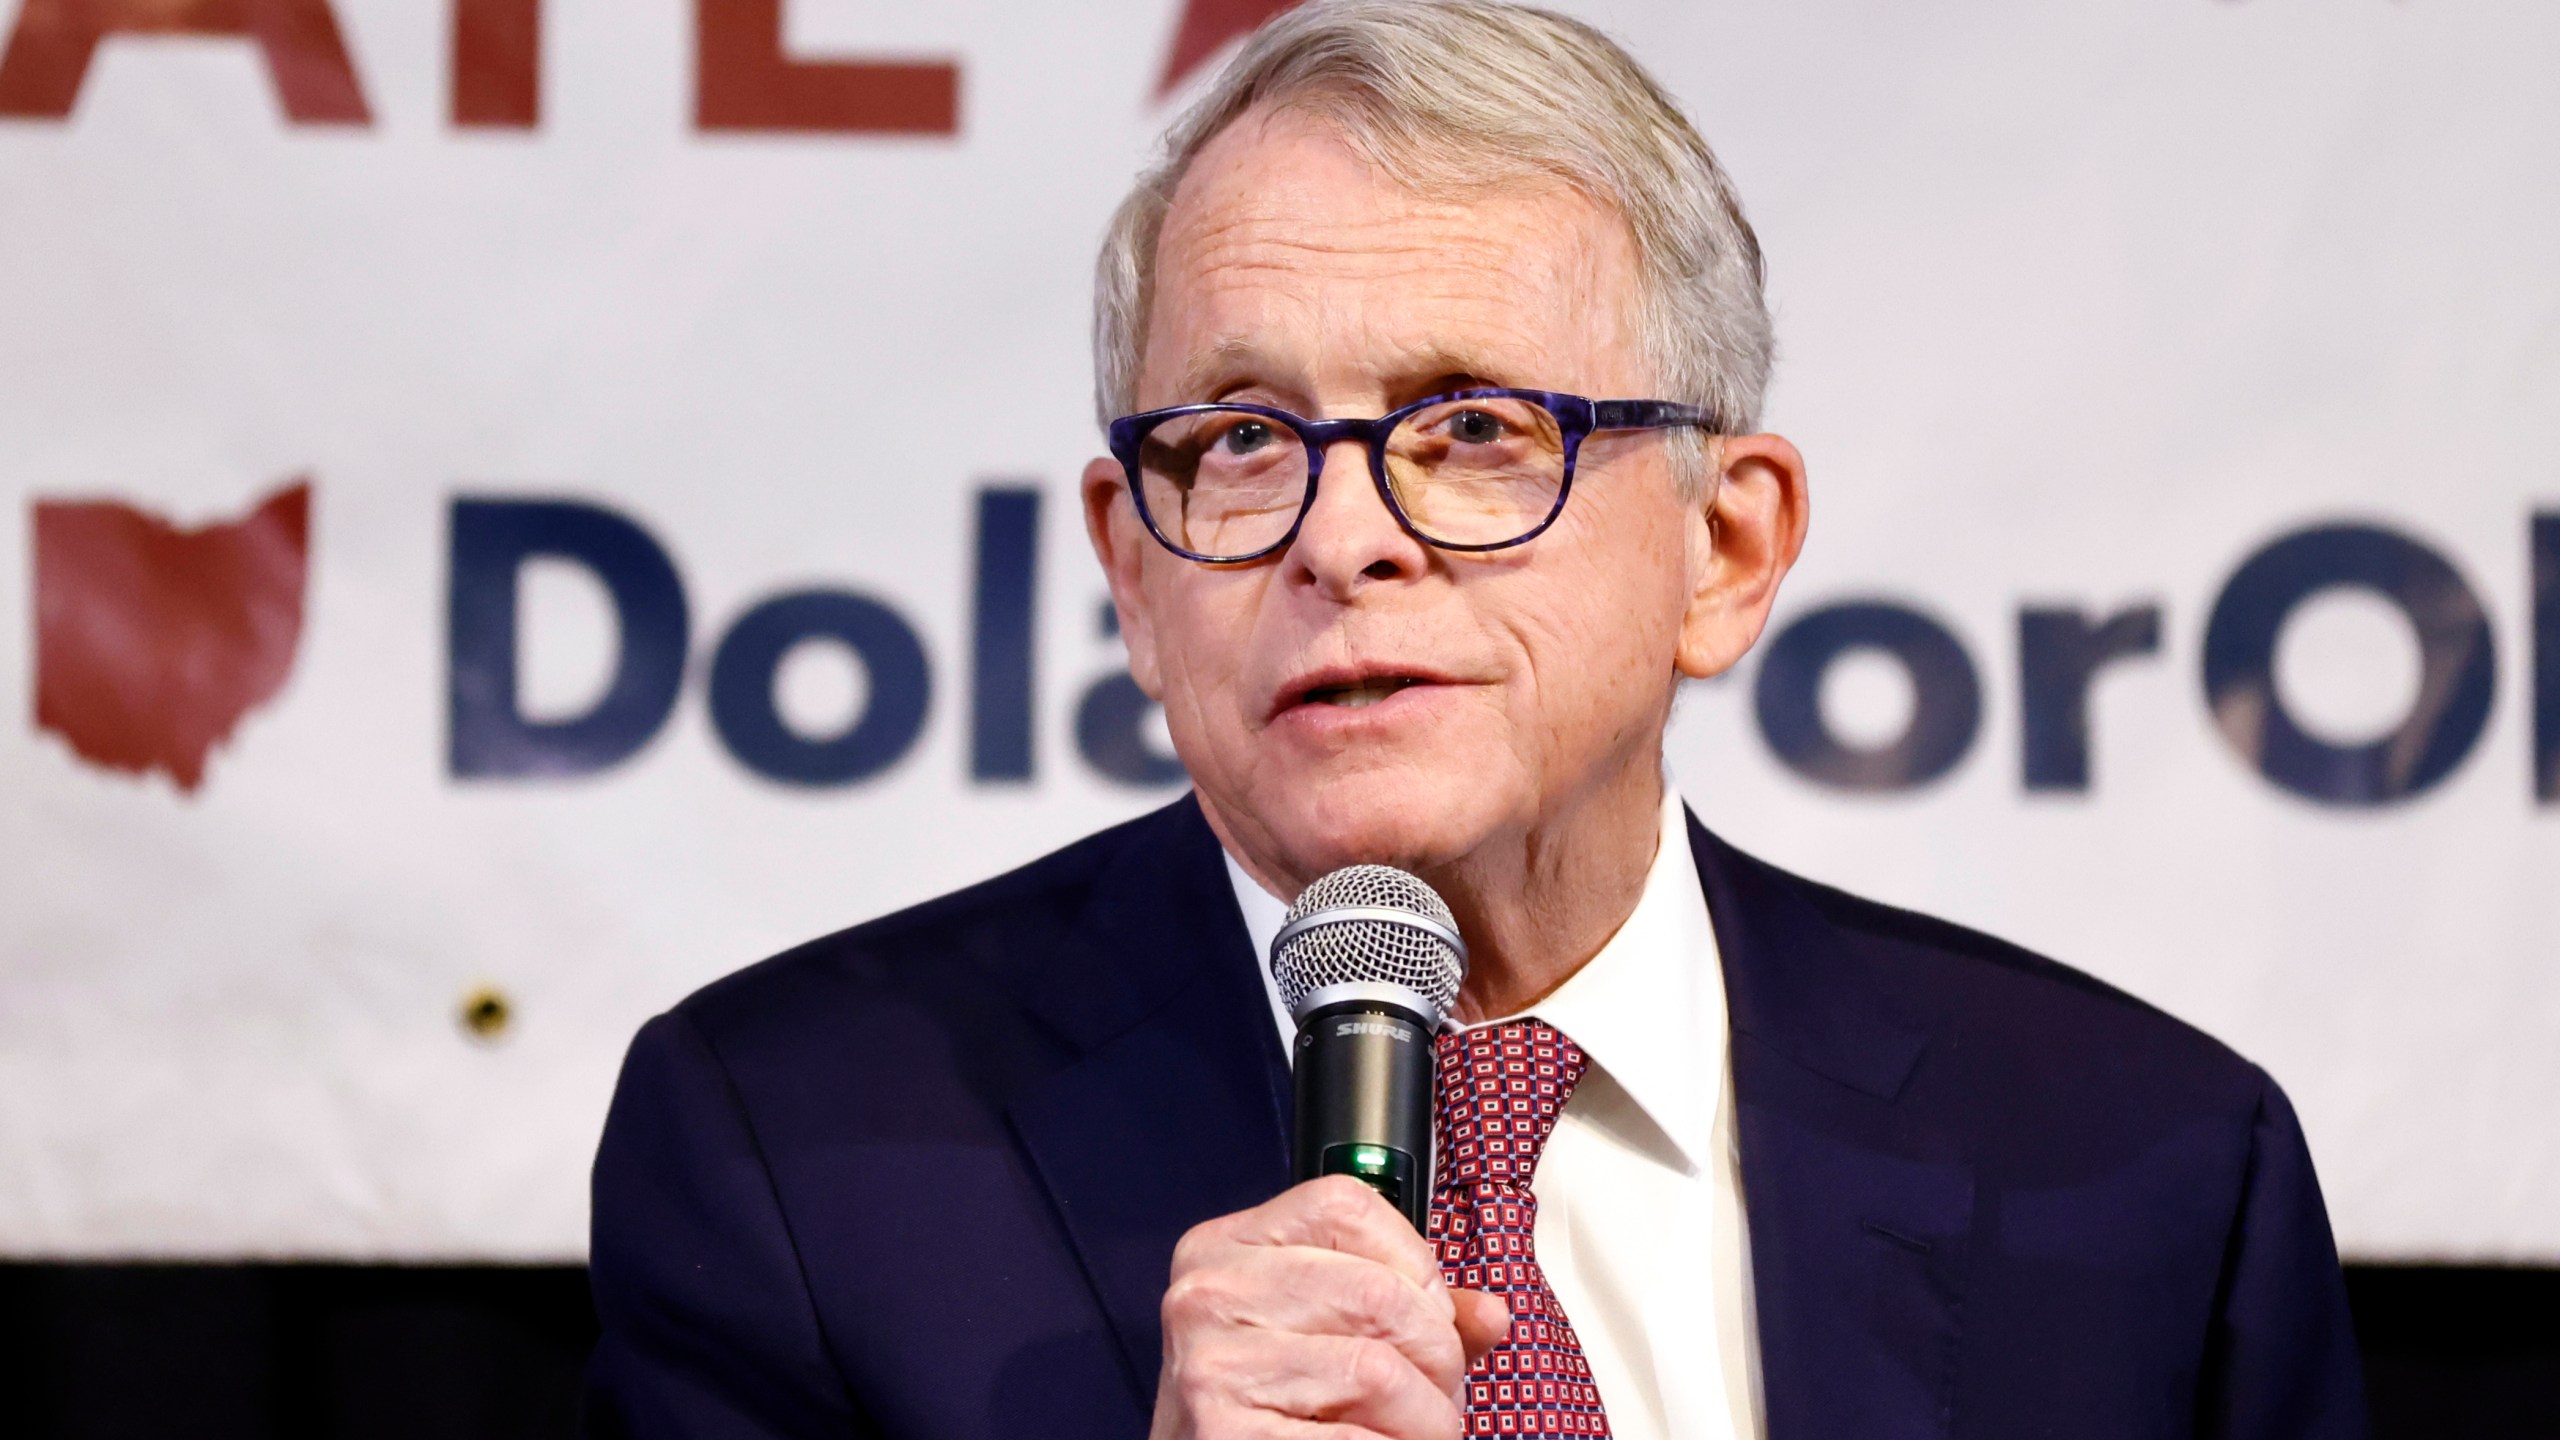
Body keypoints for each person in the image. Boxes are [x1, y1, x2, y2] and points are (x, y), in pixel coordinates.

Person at [581, 3, 2367, 1436]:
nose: (1340, 538)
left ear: (1724, 550)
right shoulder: (796, 1160)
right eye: (1242, 442)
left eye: (1473, 430)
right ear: (1134, 575)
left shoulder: (2143, 1170)